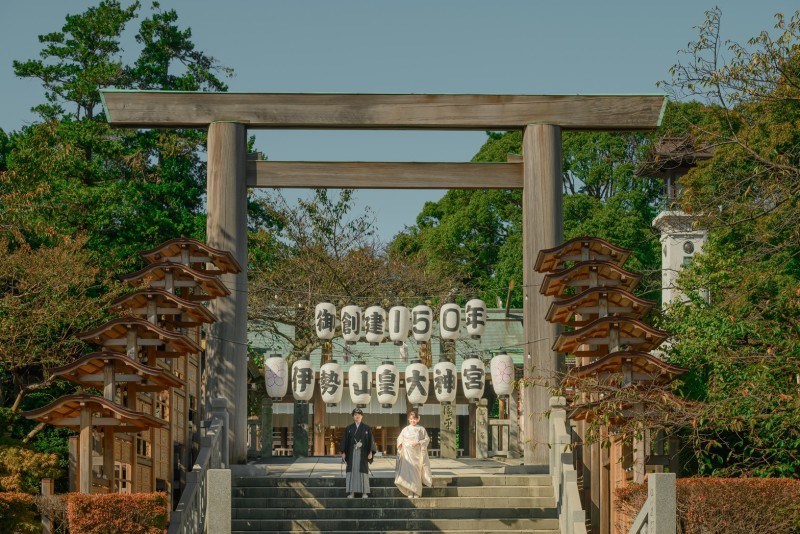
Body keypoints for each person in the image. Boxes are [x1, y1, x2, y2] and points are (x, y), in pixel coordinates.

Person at [394, 409, 432, 498]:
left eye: (414, 419)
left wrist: (419, 442)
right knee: (408, 473)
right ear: (408, 419)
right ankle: (410, 491)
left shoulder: (421, 429)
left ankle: (417, 491)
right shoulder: (405, 429)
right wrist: (402, 444)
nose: (412, 421)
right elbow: (399, 439)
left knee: (416, 472)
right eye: (411, 419)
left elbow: (427, 439)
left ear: (418, 419)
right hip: (407, 454)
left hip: (417, 454)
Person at [339, 407, 375, 498]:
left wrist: (371, 452)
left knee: (363, 472)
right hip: (352, 453)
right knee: (352, 472)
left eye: (359, 414)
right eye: (355, 415)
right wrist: (343, 452)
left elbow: (371, 441)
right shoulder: (349, 428)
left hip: (363, 454)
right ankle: (352, 492)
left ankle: (364, 492)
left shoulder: (366, 428)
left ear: (362, 416)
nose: (357, 416)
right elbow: (344, 441)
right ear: (353, 417)